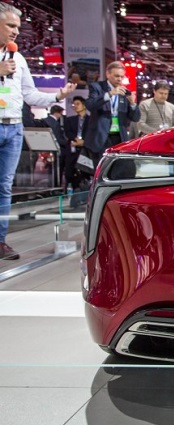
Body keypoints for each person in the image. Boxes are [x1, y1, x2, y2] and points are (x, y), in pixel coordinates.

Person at [0, 2, 76, 260]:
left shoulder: (18, 58)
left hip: (13, 128)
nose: (16, 31)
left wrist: (57, 96)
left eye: (18, 27)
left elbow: (30, 94)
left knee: (4, 187)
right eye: (11, 25)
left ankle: (0, 241)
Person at [84, 61, 140, 168]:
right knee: (101, 170)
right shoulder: (97, 87)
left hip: (119, 138)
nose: (119, 79)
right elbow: (90, 105)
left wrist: (132, 103)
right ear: (108, 74)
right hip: (101, 138)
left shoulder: (124, 92)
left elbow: (135, 117)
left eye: (122, 77)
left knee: (118, 170)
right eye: (116, 76)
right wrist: (109, 94)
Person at [63, 96, 89, 193]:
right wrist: (76, 140)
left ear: (84, 105)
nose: (75, 106)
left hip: (85, 149)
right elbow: (68, 132)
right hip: (73, 147)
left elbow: (92, 133)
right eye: (74, 104)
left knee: (85, 172)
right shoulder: (69, 120)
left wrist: (84, 142)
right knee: (69, 172)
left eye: (78, 104)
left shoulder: (91, 120)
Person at [45, 105, 68, 186]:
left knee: (50, 169)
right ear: (57, 113)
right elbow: (58, 139)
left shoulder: (45, 121)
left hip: (47, 149)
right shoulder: (55, 124)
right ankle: (56, 185)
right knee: (57, 169)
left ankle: (50, 185)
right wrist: (68, 143)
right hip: (56, 150)